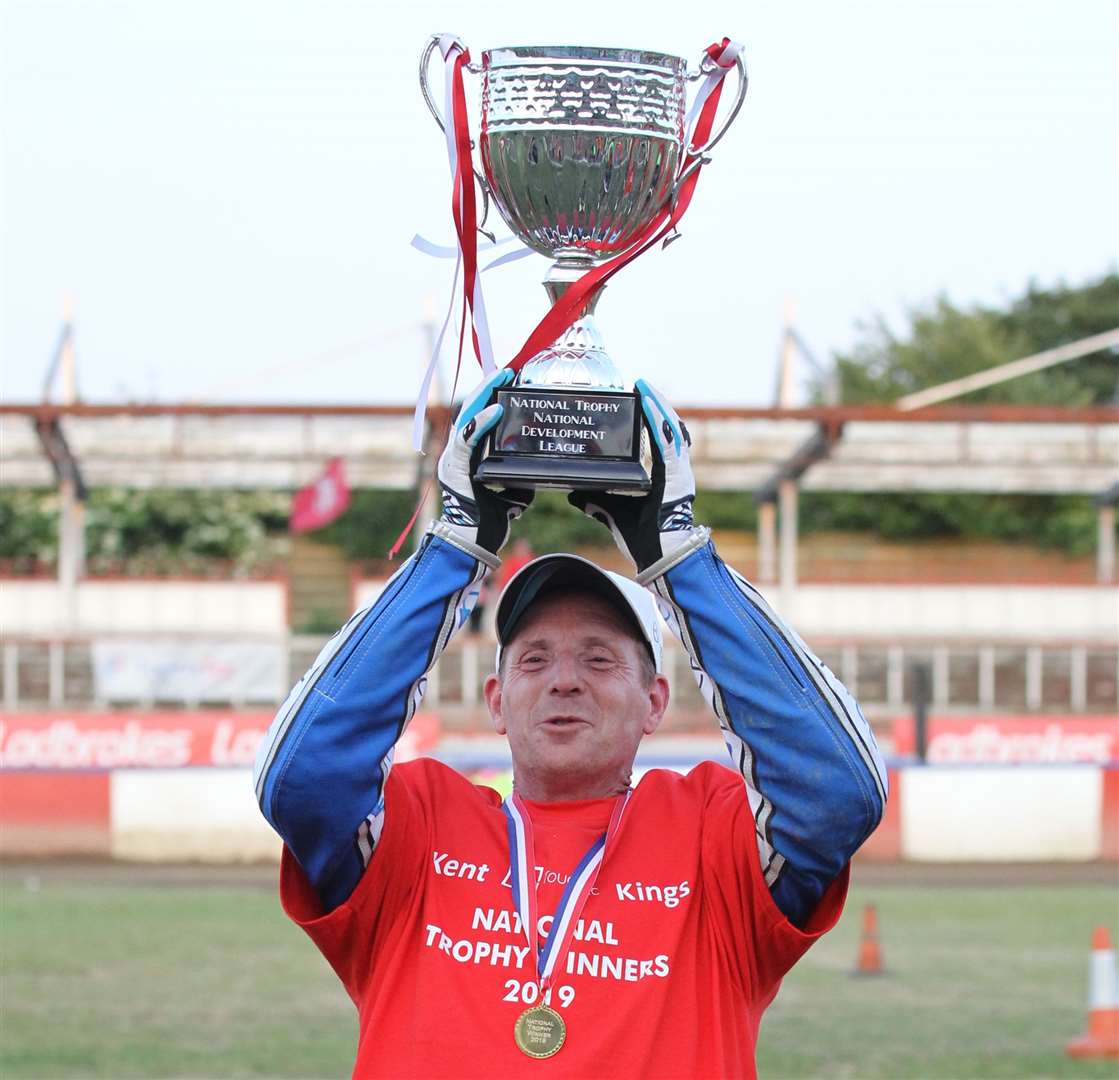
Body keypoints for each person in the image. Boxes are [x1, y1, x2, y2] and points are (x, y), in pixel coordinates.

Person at [253, 370, 887, 1079]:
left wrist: (677, 557)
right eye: (533, 660)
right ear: (494, 700)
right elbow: (299, 780)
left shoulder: (710, 833)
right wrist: (456, 547)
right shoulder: (419, 823)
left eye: (598, 658)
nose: (563, 679)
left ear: (653, 702)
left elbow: (839, 791)